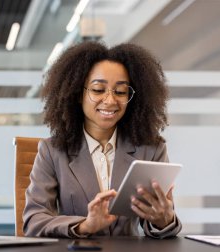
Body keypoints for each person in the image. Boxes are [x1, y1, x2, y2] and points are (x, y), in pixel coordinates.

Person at [23, 41, 182, 239]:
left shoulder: (151, 149)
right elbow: (33, 221)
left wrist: (164, 219)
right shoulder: (52, 151)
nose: (110, 100)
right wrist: (84, 226)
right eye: (98, 90)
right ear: (77, 94)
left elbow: (162, 224)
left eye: (121, 92)